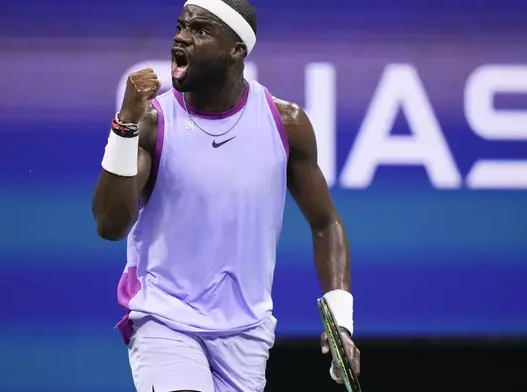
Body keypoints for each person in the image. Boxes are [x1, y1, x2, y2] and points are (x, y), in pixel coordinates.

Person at [92, 0, 360, 390]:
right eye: (182, 26)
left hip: (247, 332)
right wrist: (124, 126)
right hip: (165, 318)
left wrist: (341, 322)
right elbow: (109, 226)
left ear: (236, 50)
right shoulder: (152, 124)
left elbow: (326, 222)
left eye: (200, 30)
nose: (181, 36)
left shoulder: (287, 125)